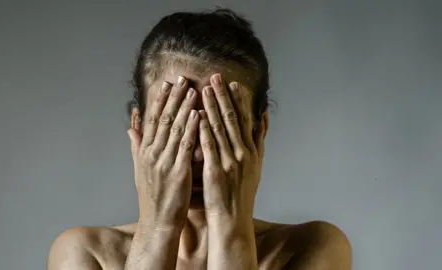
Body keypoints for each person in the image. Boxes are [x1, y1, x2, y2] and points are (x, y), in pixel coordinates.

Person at [48, 8, 351, 270]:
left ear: (259, 131)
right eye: (175, 125)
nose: (196, 155)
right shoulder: (85, 254)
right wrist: (159, 227)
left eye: (219, 126)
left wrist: (230, 227)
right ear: (139, 127)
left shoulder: (312, 250)